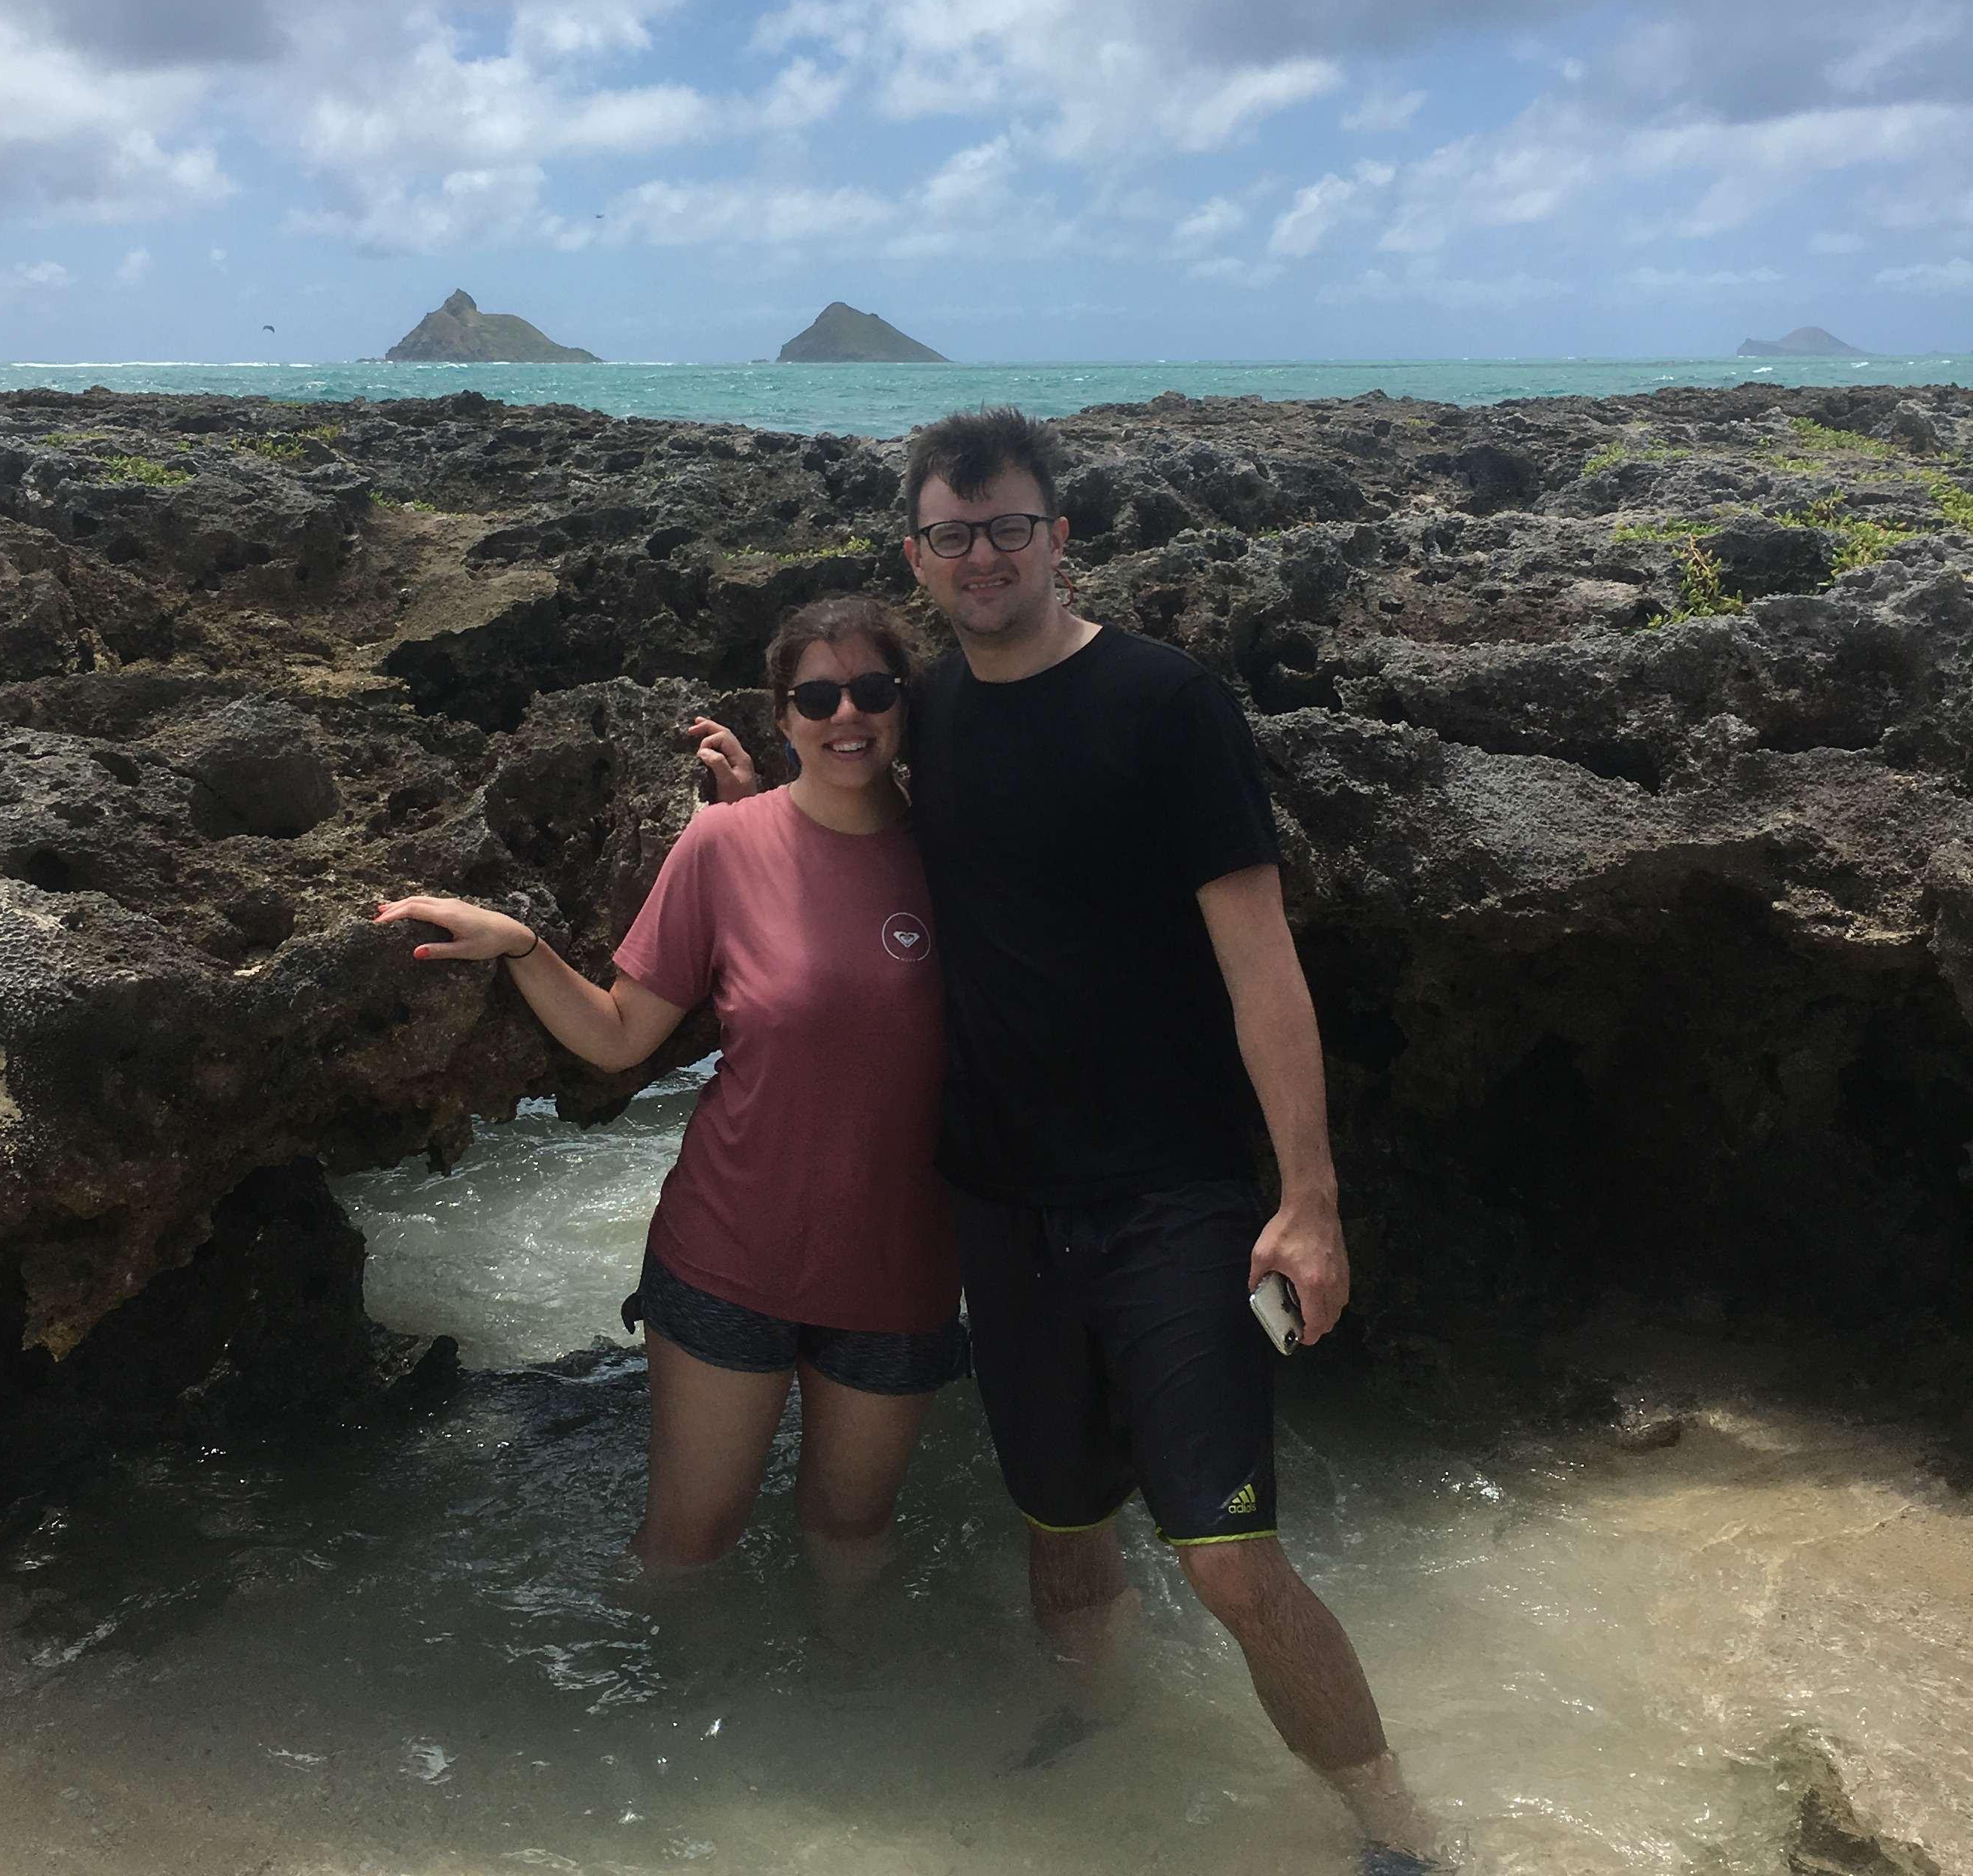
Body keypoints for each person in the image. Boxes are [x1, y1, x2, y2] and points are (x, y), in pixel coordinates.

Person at [699, 409, 1445, 1874]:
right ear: (919, 554)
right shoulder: (938, 717)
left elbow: (1262, 961)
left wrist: (1310, 1200)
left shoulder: (1167, 704)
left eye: (1010, 527)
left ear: (1060, 532)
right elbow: (887, 819)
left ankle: (1396, 1829)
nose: (984, 557)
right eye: (954, 534)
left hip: (1174, 1201)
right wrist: (763, 809)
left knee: (1230, 1561)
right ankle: (1096, 1733)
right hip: (1005, 1207)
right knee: (1060, 1522)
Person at [372, 594, 961, 1587]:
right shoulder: (724, 847)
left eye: (870, 688)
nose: (845, 713)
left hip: (899, 1274)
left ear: (904, 704)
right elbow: (618, 1035)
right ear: (783, 717)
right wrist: (521, 945)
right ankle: (682, 1733)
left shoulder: (963, 853)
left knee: (852, 1541)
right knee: (689, 1545)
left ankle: (861, 1733)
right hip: (728, 1256)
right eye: (816, 695)